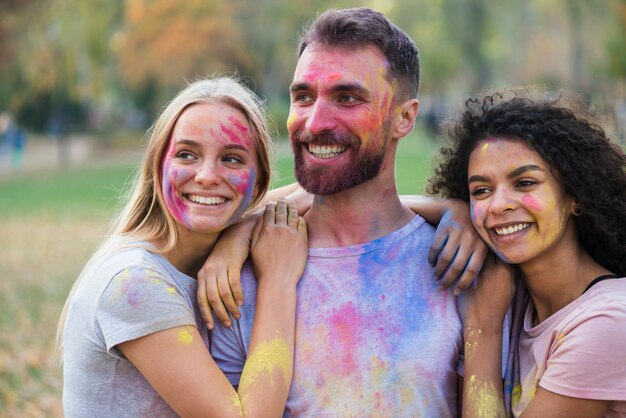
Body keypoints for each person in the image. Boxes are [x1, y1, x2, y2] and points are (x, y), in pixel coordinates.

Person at [208, 8, 504, 416]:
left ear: (404, 118)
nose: (315, 122)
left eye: (347, 98)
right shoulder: (240, 279)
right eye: (303, 97)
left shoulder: (463, 265)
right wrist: (240, 230)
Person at [56, 77, 309, 417]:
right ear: (157, 165)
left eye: (232, 159)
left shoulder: (201, 245)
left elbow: (320, 196)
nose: (206, 175)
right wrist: (278, 281)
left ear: (259, 180)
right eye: (187, 155)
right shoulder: (134, 282)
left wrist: (243, 229)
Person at [428, 88, 626, 417]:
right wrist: (453, 210)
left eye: (524, 183)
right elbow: (378, 210)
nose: (499, 204)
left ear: (574, 195)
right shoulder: (518, 292)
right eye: (481, 191)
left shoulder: (608, 320)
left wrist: (483, 329)